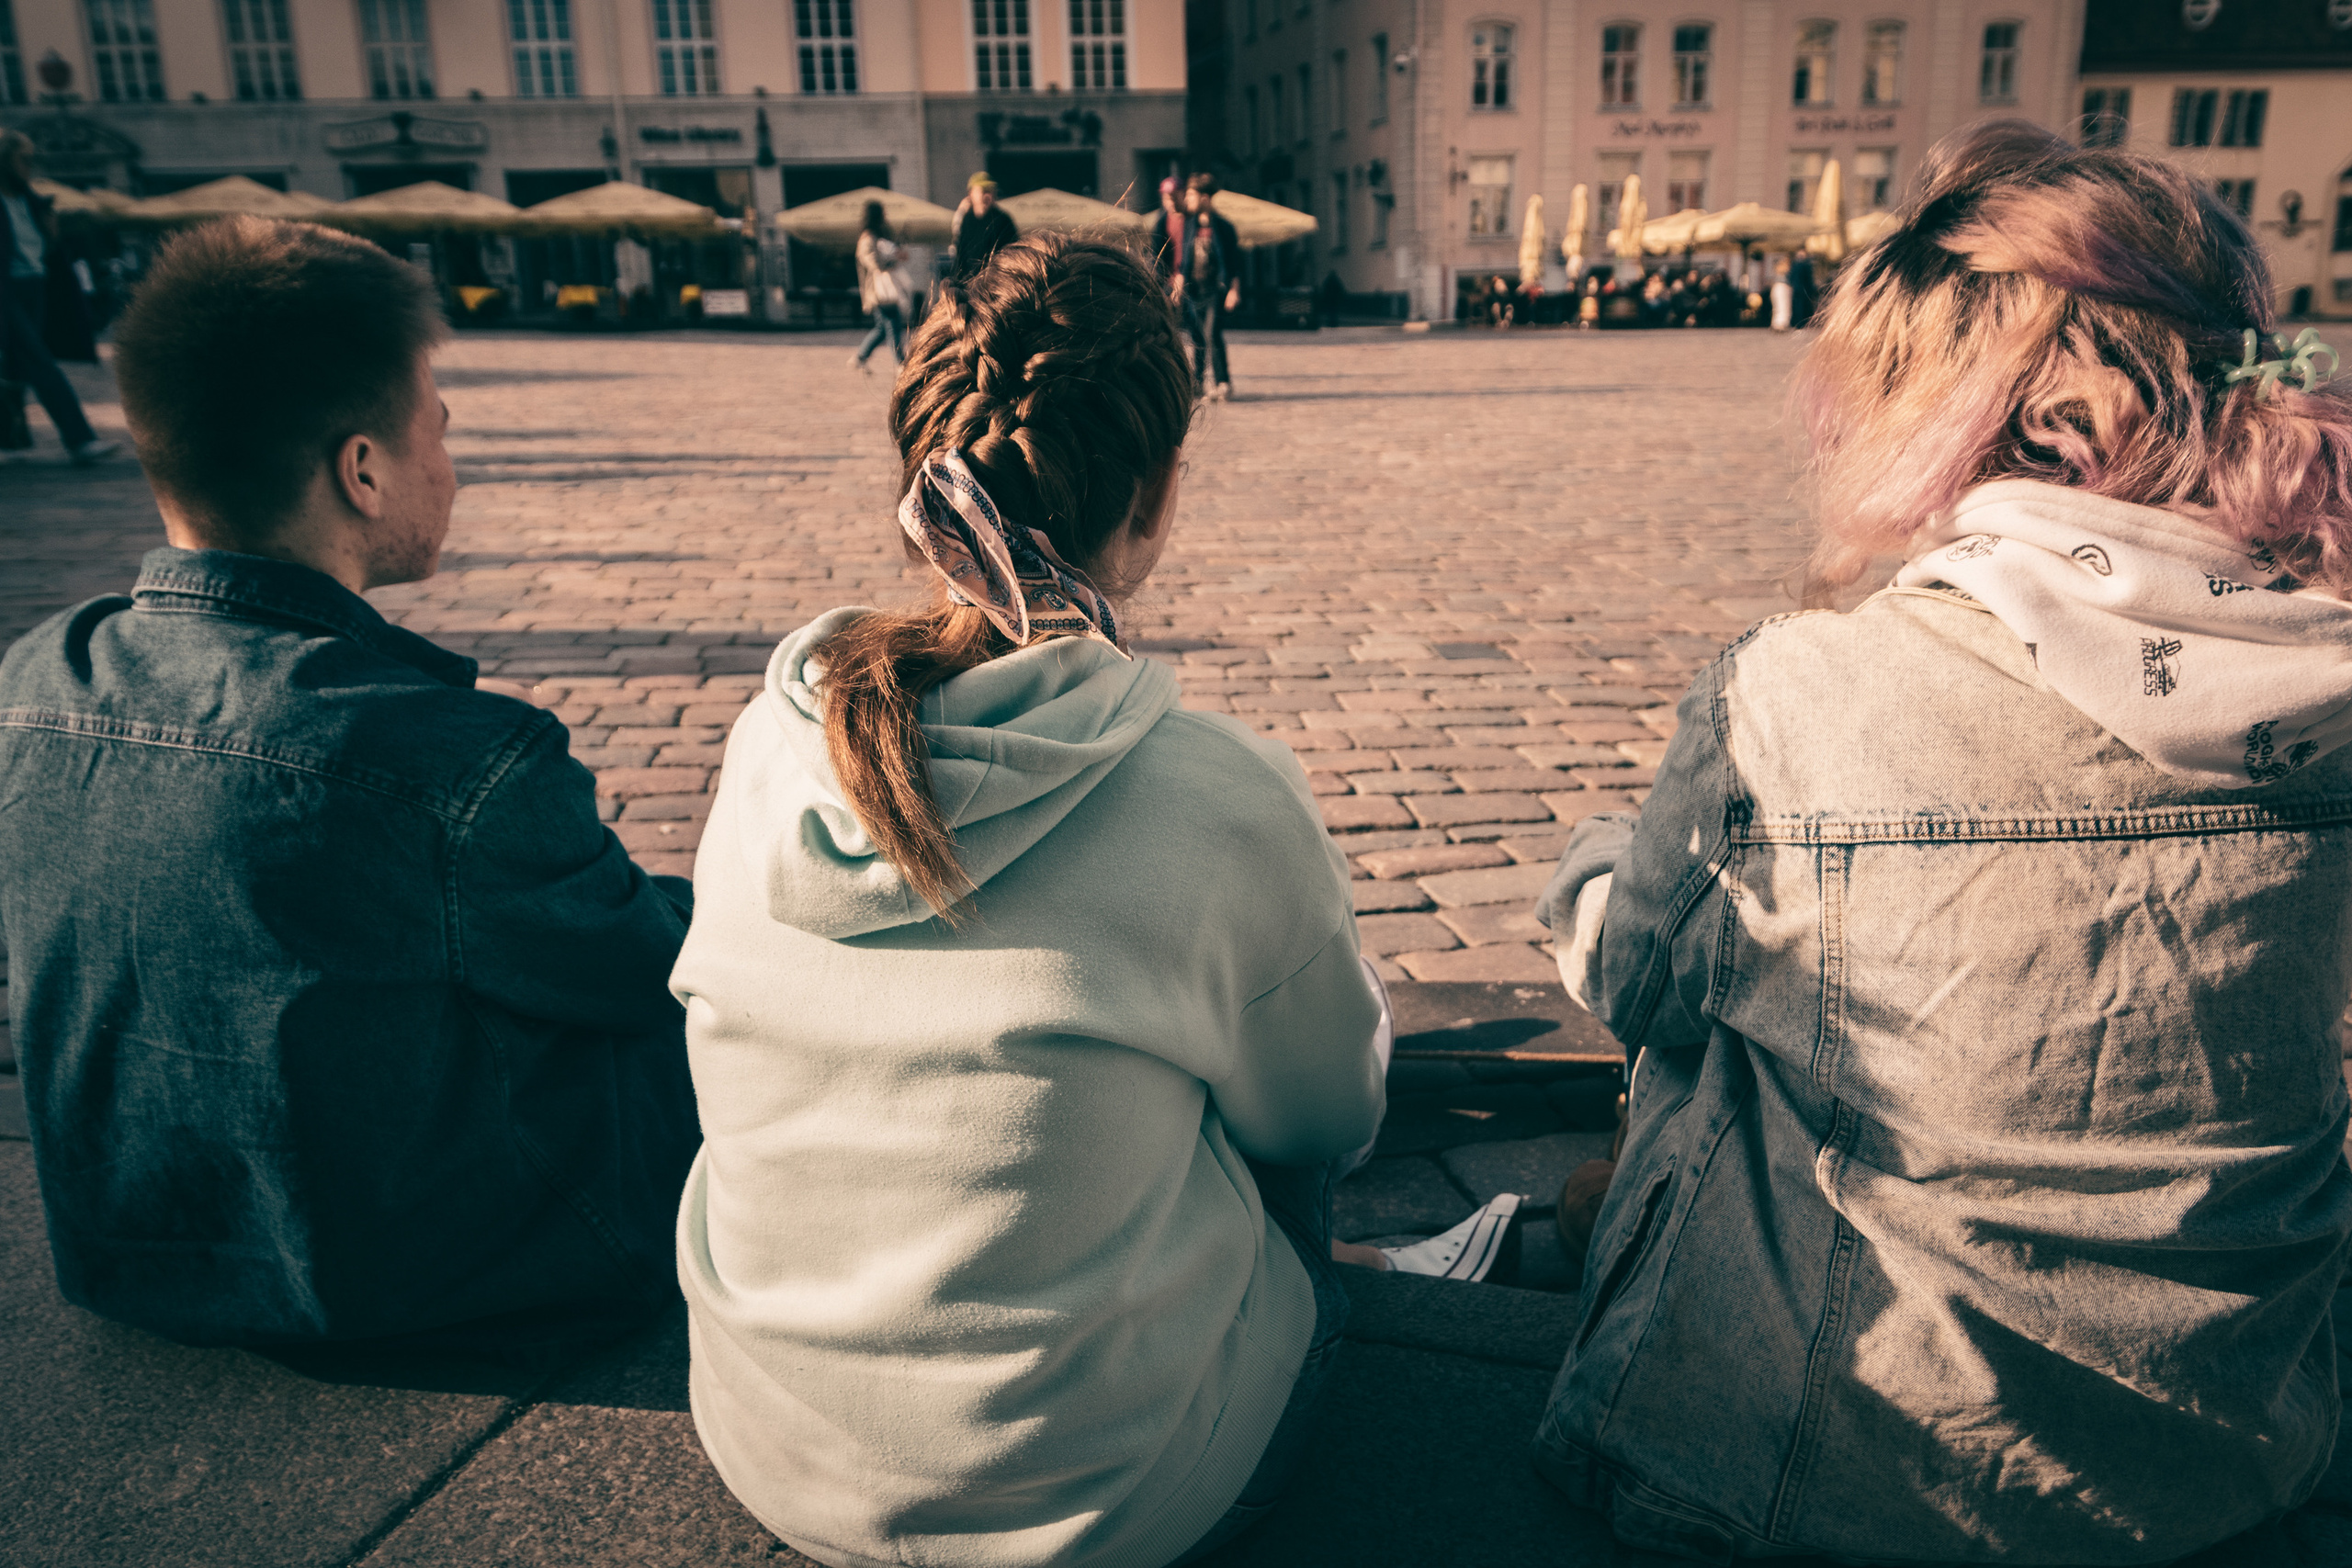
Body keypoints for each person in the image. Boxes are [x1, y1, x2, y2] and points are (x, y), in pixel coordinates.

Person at [1531, 120, 2352, 1564]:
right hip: (2234, 1461)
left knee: (1714, 1000)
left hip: (1797, 1478)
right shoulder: (2327, 670)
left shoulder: (1797, 689)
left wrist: (1598, 866)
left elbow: (1639, 987)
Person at [672, 233, 1507, 1568]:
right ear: (1160, 490)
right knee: (1264, 1127)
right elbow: (1329, 1116)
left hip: (772, 1439)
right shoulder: (1215, 791)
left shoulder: (773, 735)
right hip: (1102, 1503)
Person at [0, 217, 701, 1358]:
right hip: (413, 1275)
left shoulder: (31, 678)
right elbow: (652, 969)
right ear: (362, 472)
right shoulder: (448, 757)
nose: (449, 466)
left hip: (124, 1246)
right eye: (439, 430)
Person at [0, 129, 115, 464]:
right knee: (40, 361)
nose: (29, 166)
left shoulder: (28, 199)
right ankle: (80, 440)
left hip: (36, 285)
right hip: (6, 288)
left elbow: (41, 249)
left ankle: (8, 443)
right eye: (24, 159)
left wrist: (51, 234)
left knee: (19, 366)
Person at [1169, 172, 1240, 400]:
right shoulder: (1188, 225)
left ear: (1205, 198)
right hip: (1193, 290)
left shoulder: (1224, 228)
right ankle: (1198, 382)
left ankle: (1223, 382)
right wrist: (1179, 285)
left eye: (1191, 195)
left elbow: (1235, 263)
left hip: (1215, 291)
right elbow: (1183, 259)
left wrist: (1234, 290)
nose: (1188, 200)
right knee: (1197, 336)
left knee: (1212, 333)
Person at [849, 198, 910, 372]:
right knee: (893, 325)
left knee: (882, 328)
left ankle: (860, 356)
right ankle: (901, 364)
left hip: (883, 290)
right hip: (879, 291)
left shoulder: (877, 236)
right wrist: (894, 258)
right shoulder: (867, 239)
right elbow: (875, 264)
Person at [945, 171, 1018, 282]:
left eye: (991, 191)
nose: (987, 196)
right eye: (983, 191)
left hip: (995, 284)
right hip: (970, 284)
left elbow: (1012, 254)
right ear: (971, 194)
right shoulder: (967, 220)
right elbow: (961, 255)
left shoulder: (1003, 220)